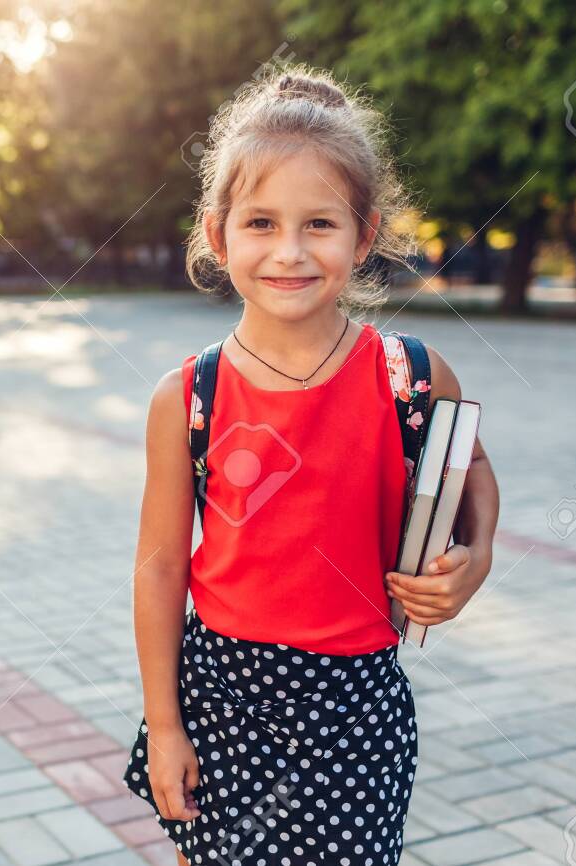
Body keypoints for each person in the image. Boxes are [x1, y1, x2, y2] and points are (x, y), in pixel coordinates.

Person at [121, 64, 500, 866]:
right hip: (223, 700)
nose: (289, 252)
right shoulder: (188, 397)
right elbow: (160, 571)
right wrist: (165, 724)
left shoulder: (410, 376)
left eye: (319, 224)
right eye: (261, 223)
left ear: (363, 236)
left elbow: (473, 474)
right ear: (218, 234)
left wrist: (476, 558)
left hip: (357, 708)